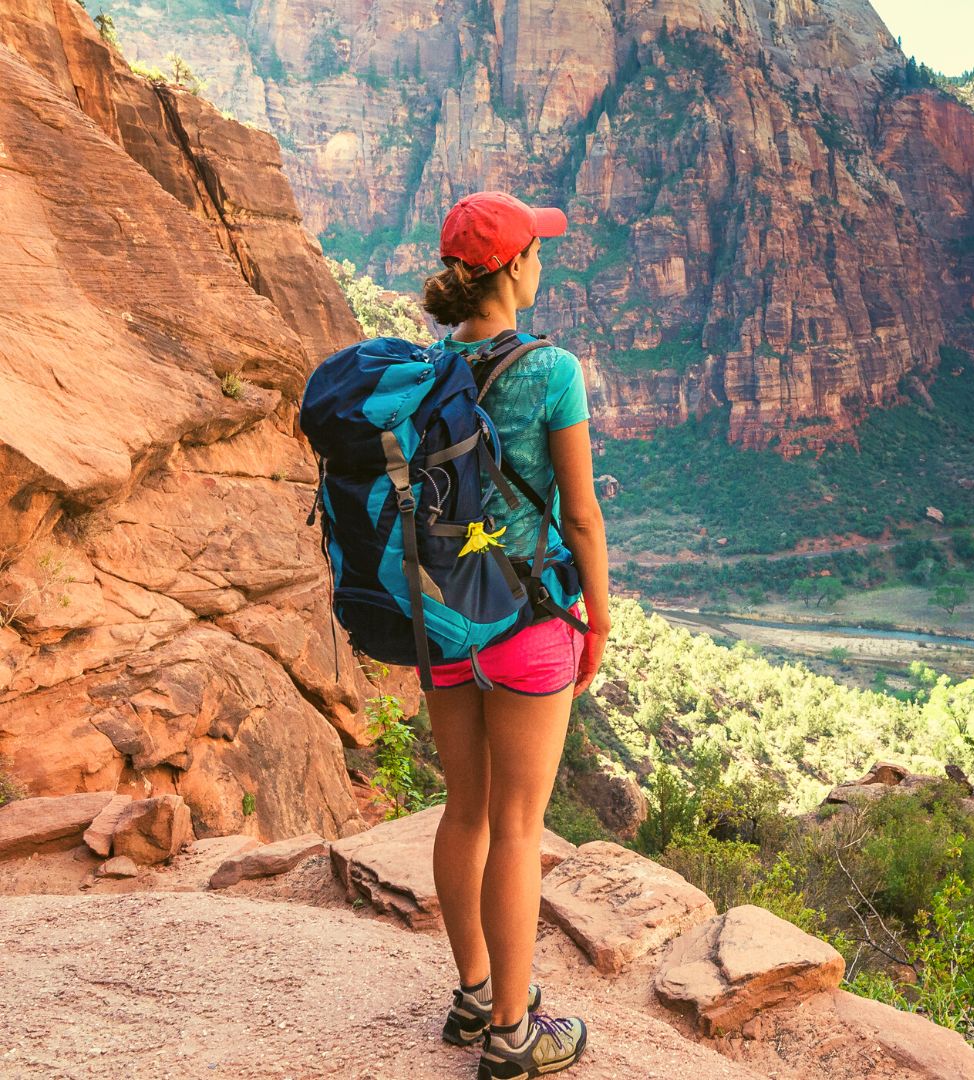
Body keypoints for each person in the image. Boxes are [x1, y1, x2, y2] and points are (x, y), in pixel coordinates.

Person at [417, 191, 609, 1078]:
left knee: (465, 812)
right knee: (520, 826)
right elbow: (581, 519)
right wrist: (596, 620)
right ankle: (511, 1036)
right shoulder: (553, 369)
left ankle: (471, 996)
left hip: (444, 622)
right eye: (538, 247)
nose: (545, 260)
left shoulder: (427, 368)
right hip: (529, 623)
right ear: (515, 267)